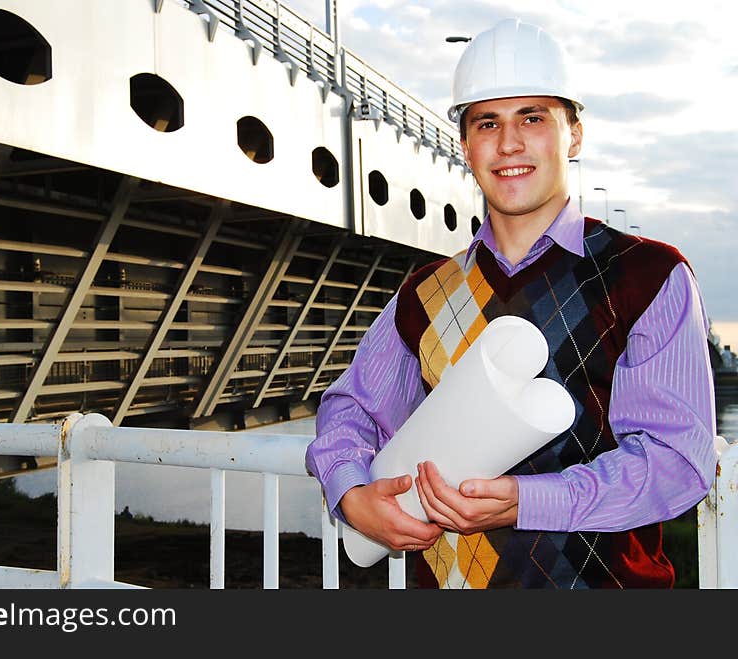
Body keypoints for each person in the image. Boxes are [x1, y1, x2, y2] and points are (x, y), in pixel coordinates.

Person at [305, 17, 717, 588]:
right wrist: (350, 490)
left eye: (533, 118)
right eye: (487, 122)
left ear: (574, 134)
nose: (509, 143)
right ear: (465, 143)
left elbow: (677, 460)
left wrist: (529, 502)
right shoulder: (422, 294)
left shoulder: (648, 276)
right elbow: (351, 409)